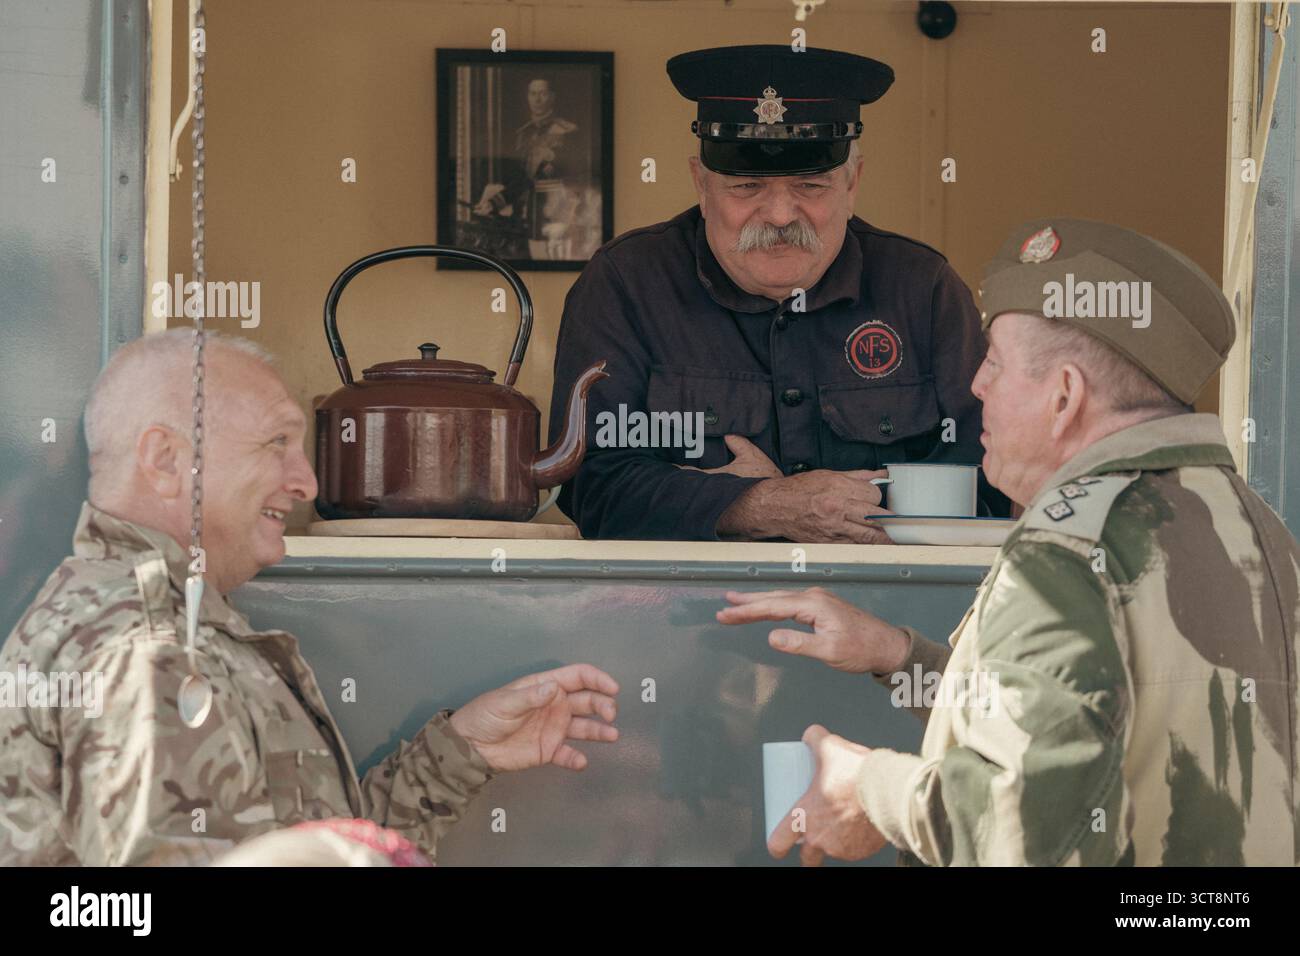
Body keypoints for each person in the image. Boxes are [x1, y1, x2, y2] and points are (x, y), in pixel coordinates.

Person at [718, 218, 1300, 865]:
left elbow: (1022, 821)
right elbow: (1087, 720)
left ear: (1065, 396)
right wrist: (899, 654)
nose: (975, 387)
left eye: (994, 363)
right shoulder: (1251, 522)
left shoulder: (1067, 547)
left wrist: (868, 791)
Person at [0, 330, 619, 866]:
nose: (307, 483)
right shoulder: (147, 653)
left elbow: (300, 842)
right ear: (166, 460)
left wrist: (462, 752)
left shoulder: (151, 619)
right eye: (276, 444)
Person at [549, 44, 1002, 543]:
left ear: (853, 185)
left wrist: (847, 513)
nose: (782, 215)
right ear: (701, 184)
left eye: (810, 186)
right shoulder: (625, 283)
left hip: (884, 609)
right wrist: (757, 505)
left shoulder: (924, 288)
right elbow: (587, 485)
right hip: (686, 611)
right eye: (747, 187)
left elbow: (996, 475)